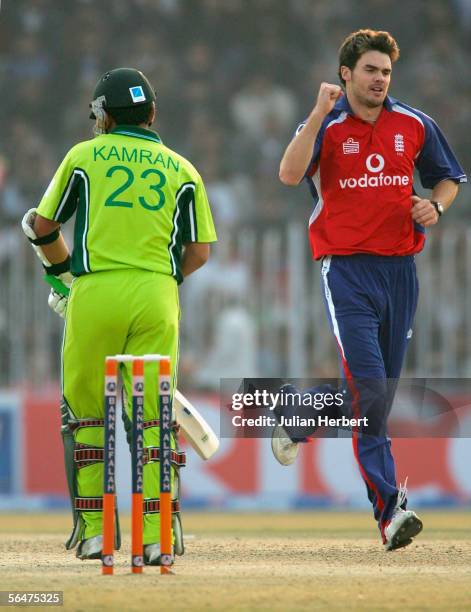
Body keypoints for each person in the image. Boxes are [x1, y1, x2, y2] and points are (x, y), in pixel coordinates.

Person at [271, 30, 466, 550]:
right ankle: (390, 513)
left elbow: (448, 178)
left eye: (385, 72)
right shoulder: (327, 126)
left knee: (373, 395)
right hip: (348, 272)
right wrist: (316, 113)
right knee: (372, 393)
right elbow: (289, 174)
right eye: (370, 71)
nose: (380, 79)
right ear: (346, 74)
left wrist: (436, 206)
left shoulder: (414, 123)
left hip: (401, 272)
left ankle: (301, 416)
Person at [22, 68, 217, 564]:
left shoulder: (83, 156)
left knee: (87, 415)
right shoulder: (182, 168)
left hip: (94, 291)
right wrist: (159, 280)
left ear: (103, 116)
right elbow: (199, 251)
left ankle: (93, 534)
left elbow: (43, 225)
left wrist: (64, 277)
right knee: (152, 418)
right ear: (152, 113)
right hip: (157, 293)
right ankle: (157, 539)